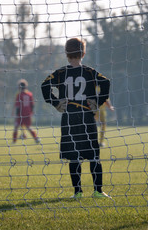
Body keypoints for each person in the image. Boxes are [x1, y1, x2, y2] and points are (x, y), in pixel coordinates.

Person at [41, 38, 111, 199]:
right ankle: (98, 191)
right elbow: (106, 82)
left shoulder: (60, 73)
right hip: (87, 117)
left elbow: (44, 85)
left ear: (66, 54)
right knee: (93, 155)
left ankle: (78, 192)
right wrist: (97, 102)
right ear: (83, 53)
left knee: (74, 157)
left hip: (69, 118)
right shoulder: (89, 72)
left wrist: (55, 103)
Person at [12, 79, 40, 144]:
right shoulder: (30, 94)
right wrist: (31, 112)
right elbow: (32, 104)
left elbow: (18, 106)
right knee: (29, 127)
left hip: (21, 114)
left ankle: (14, 141)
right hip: (28, 113)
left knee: (16, 126)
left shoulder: (19, 95)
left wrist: (16, 115)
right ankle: (36, 138)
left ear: (19, 87)